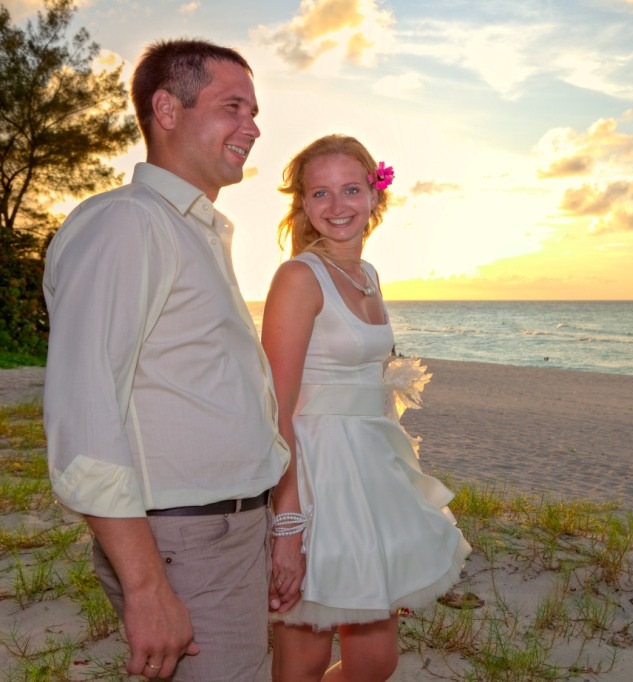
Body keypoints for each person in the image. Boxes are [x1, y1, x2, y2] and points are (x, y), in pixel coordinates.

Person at [43, 39, 289, 680]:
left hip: (223, 534)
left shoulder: (191, 229)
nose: (252, 127)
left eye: (254, 112)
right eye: (232, 107)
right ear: (167, 109)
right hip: (186, 544)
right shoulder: (129, 224)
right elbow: (85, 413)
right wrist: (147, 587)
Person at [261, 134, 471, 681]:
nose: (338, 206)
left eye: (351, 189)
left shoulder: (368, 274)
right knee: (303, 661)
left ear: (374, 195)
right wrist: (289, 522)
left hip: (370, 470)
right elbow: (274, 408)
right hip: (315, 478)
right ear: (303, 203)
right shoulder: (298, 278)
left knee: (376, 661)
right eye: (321, 193)